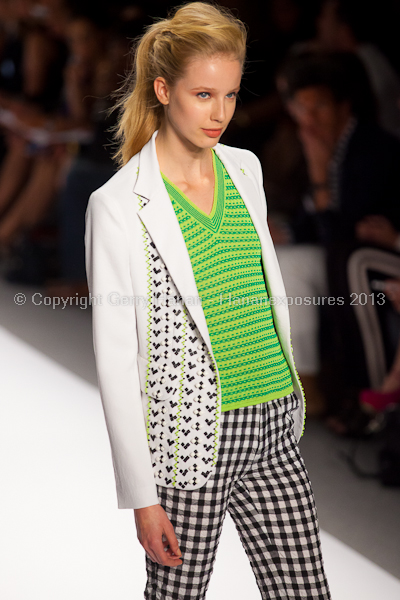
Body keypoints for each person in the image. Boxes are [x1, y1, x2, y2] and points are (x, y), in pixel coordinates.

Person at [84, 3, 332, 599]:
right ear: (164, 90)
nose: (219, 113)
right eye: (202, 95)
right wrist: (142, 498)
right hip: (192, 439)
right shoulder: (118, 205)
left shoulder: (245, 169)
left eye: (230, 95)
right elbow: (117, 364)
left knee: (306, 592)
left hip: (273, 422)